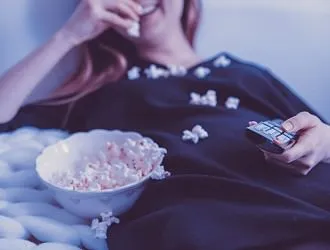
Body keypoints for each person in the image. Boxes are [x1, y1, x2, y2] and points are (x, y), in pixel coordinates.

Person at [1, 0, 330, 249]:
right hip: (204, 215)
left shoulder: (245, 73)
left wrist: (321, 142)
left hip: (301, 193)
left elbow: (321, 134)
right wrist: (68, 35)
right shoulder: (103, 89)